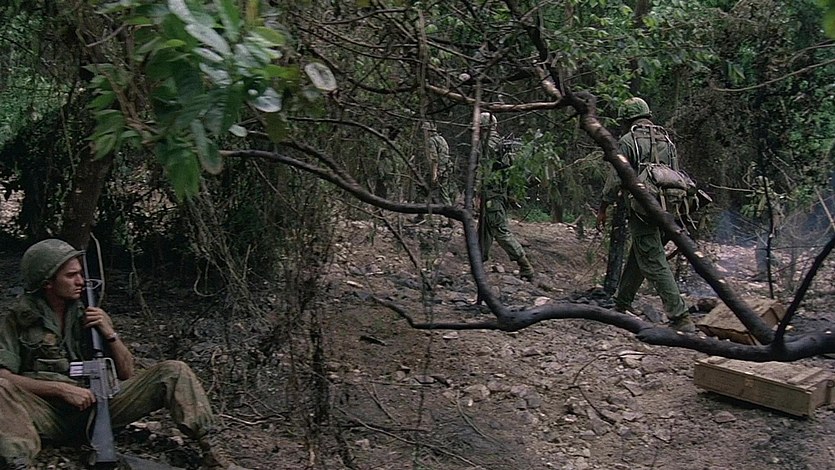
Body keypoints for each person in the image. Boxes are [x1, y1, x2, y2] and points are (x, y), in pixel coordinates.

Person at [0, 239, 243, 469]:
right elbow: (5, 377)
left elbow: (127, 373)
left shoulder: (90, 314)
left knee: (174, 370)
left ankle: (215, 454)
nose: (80, 281)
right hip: (46, 414)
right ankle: (17, 462)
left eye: (80, 274)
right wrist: (60, 389)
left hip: (99, 406)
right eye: (71, 275)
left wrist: (110, 334)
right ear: (47, 282)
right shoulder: (17, 319)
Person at [596, 98, 696, 333]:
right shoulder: (666, 140)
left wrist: (603, 206)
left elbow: (615, 178)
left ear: (627, 119)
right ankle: (622, 304)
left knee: (652, 259)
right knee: (641, 253)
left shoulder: (628, 141)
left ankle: (680, 316)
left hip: (642, 209)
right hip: (668, 208)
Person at [477, 112, 534, 282]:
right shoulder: (499, 142)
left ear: (483, 126)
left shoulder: (487, 144)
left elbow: (484, 170)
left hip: (492, 194)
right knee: (484, 230)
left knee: (499, 230)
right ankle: (478, 263)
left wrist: (476, 191)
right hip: (497, 193)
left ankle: (525, 266)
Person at [423, 121, 458, 206]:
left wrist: (434, 174)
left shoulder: (431, 141)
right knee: (443, 192)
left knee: (426, 190)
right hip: (446, 168)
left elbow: (434, 159)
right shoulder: (442, 139)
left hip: (439, 170)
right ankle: (448, 211)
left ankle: (447, 209)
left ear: (428, 131)